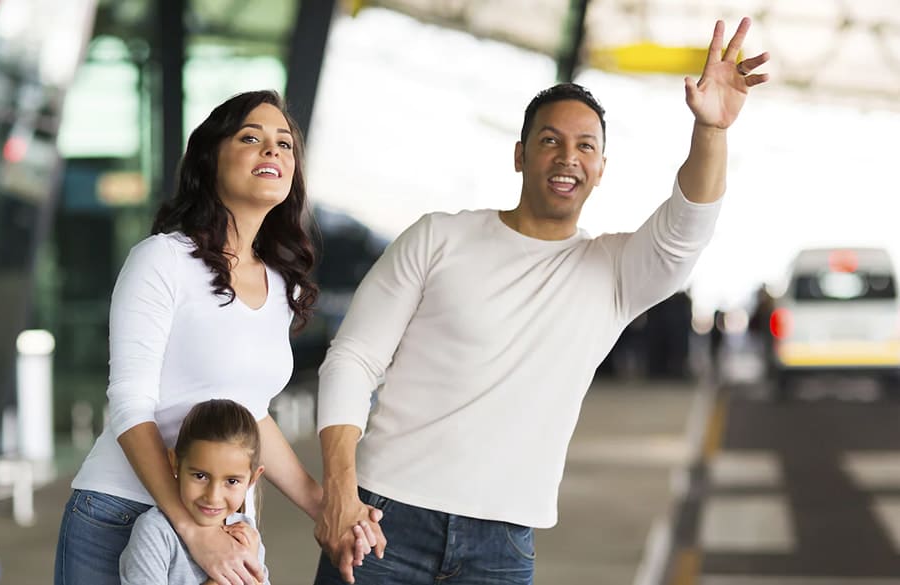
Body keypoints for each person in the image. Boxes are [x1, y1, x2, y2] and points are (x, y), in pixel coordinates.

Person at [312, 17, 770, 584]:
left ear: (601, 169)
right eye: (550, 139)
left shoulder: (614, 272)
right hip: (381, 520)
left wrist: (711, 132)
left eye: (586, 146)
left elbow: (686, 229)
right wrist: (338, 490)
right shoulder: (438, 237)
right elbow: (353, 359)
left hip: (500, 545)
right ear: (520, 155)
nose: (567, 156)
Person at [53, 90, 381, 585]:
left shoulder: (277, 283)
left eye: (284, 143)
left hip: (221, 521)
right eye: (251, 137)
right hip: (122, 512)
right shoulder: (162, 260)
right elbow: (129, 404)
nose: (273, 150)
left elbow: (250, 412)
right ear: (209, 161)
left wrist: (326, 507)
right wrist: (190, 531)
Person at [119, 399, 270, 584]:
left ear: (253, 478)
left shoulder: (247, 535)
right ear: (175, 463)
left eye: (231, 481)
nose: (213, 497)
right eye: (200, 476)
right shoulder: (156, 532)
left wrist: (251, 564)